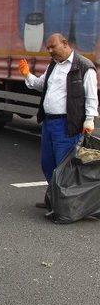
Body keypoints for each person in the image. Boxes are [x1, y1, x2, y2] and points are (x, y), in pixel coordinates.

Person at [18, 33, 98, 209]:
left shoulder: (84, 67)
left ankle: (64, 206)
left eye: (53, 47)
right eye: (48, 48)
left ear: (65, 43)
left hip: (67, 125)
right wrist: (27, 75)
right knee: (48, 164)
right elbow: (41, 85)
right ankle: (53, 199)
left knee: (64, 168)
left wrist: (89, 120)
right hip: (49, 123)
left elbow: (92, 97)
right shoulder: (53, 65)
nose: (50, 51)